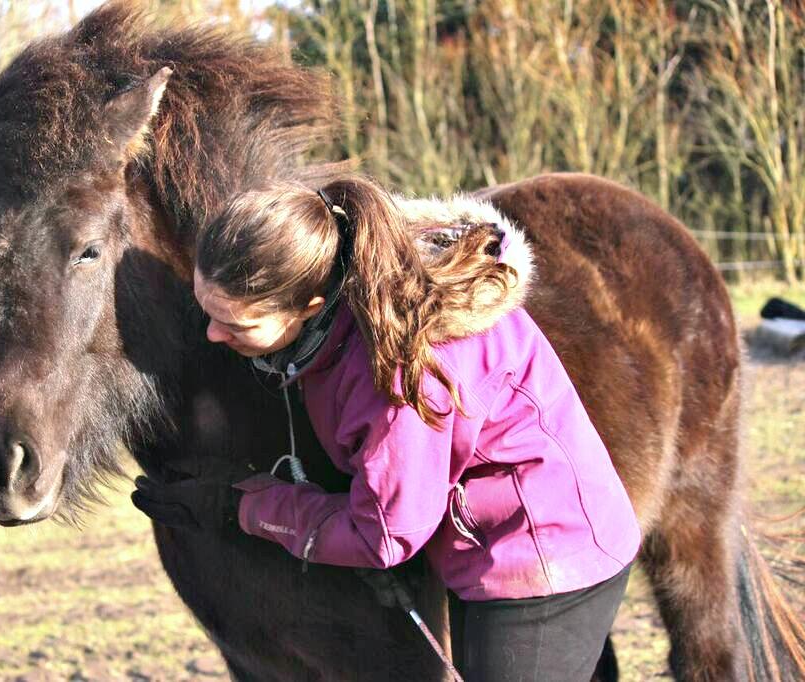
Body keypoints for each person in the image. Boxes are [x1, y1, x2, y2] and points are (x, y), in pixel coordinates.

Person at [131, 175, 641, 680]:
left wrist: (241, 508)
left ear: (310, 305)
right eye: (209, 312)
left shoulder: (401, 372)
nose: (213, 334)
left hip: (539, 559)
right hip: (489, 544)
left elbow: (384, 535)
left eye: (238, 325)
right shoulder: (351, 300)